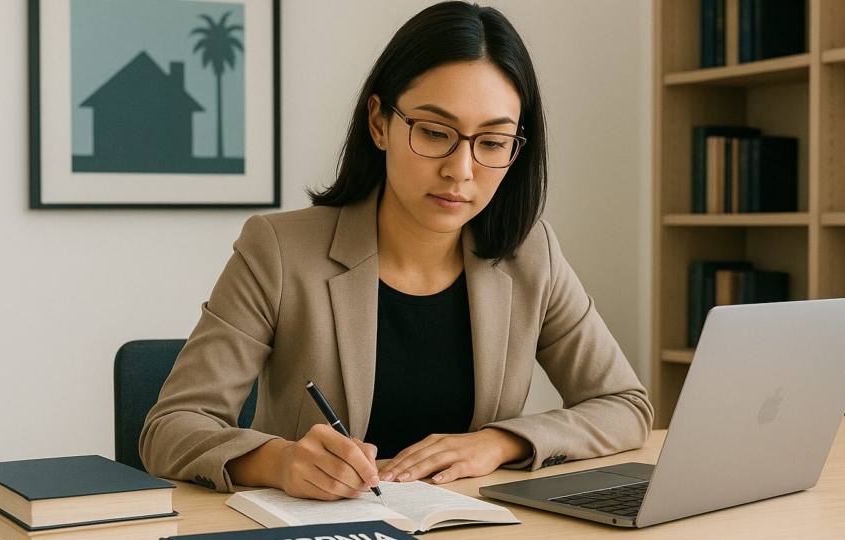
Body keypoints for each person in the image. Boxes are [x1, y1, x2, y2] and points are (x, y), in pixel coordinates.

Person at [141, 1, 653, 501]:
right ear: (380, 123)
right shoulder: (278, 251)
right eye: (435, 133)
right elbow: (170, 427)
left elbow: (625, 406)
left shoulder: (529, 256)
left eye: (492, 143)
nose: (461, 169)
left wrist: (500, 442)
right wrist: (279, 461)